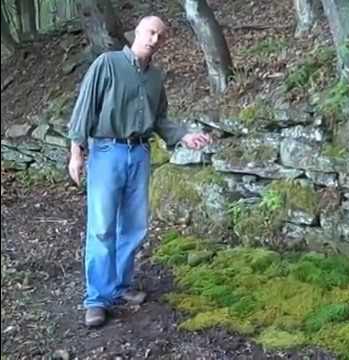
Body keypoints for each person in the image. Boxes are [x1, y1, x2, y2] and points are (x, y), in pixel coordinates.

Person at [68, 15, 211, 327]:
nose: (154, 39)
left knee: (133, 226)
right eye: (150, 32)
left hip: (140, 153)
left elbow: (159, 118)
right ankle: (96, 299)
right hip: (107, 151)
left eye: (161, 36)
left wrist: (183, 134)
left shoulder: (155, 78)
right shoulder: (108, 63)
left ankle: (119, 286)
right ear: (137, 31)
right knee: (102, 226)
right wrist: (76, 153)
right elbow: (85, 107)